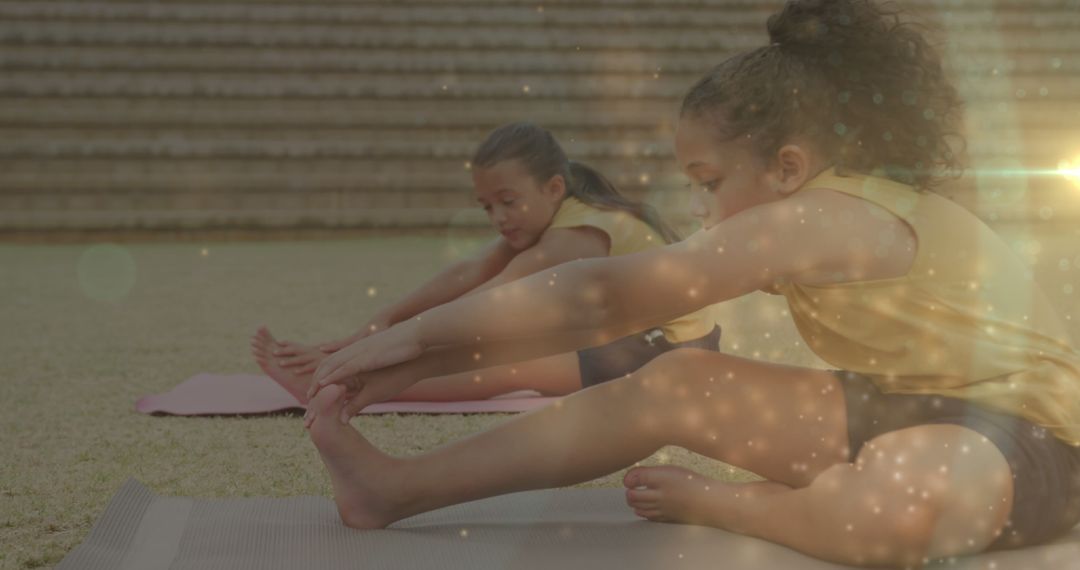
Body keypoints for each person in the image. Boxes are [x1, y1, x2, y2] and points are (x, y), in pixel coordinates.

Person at [302, 0, 1080, 566]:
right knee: (676, 381)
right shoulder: (810, 212)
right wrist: (422, 361)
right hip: (899, 410)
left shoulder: (831, 215)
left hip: (1034, 438)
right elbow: (594, 316)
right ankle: (393, 490)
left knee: (900, 509)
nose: (702, 207)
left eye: (709, 182)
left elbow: (605, 295)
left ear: (788, 168)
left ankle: (749, 509)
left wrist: (411, 336)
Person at [250, 122, 721, 403]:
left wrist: (376, 353)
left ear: (553, 189)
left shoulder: (577, 235)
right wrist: (372, 330)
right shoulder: (553, 216)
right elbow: (468, 273)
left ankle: (343, 385)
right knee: (488, 338)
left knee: (506, 358)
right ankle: (343, 373)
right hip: (630, 333)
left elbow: (491, 299)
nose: (498, 217)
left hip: (671, 353)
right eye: (487, 206)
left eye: (508, 201)